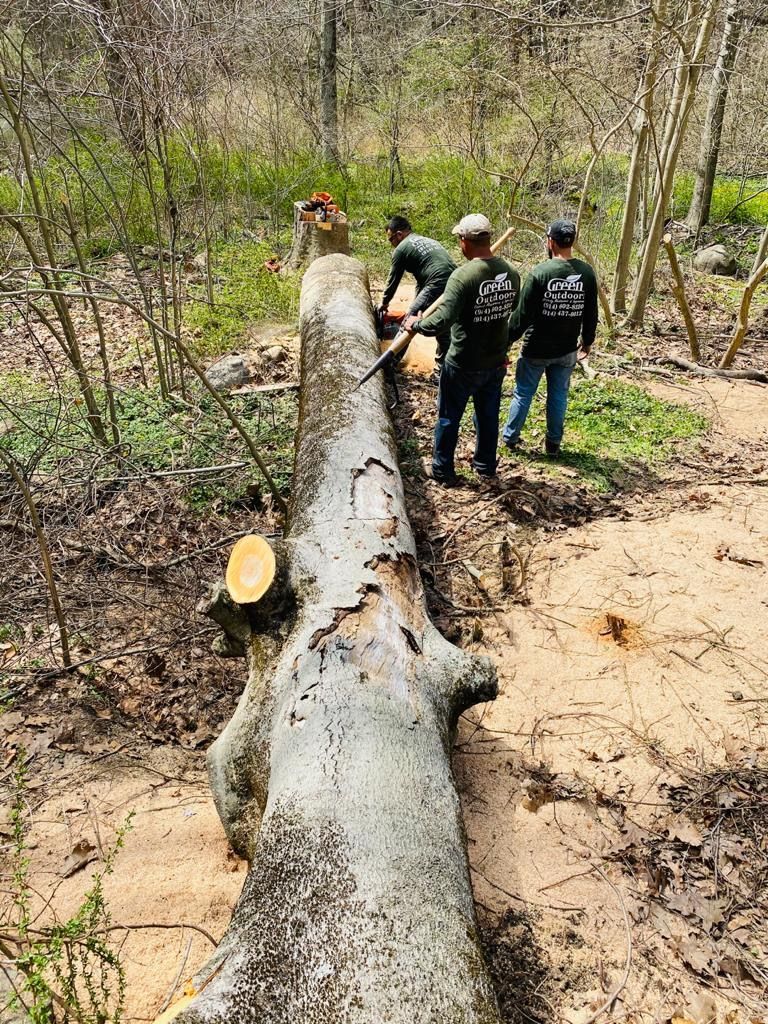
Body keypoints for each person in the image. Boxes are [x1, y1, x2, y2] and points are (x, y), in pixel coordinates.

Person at [410, 214, 520, 486]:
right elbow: (513, 307)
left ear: (464, 241)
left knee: (448, 417)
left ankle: (442, 470)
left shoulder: (462, 277)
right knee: (488, 415)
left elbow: (442, 320)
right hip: (495, 360)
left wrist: (418, 323)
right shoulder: (512, 274)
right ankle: (485, 465)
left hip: (463, 361)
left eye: (459, 239)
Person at [502, 219, 598, 457]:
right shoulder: (586, 273)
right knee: (558, 395)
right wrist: (587, 341)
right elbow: (591, 312)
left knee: (523, 393)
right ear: (571, 241)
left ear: (550, 241)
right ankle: (553, 445)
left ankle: (510, 438)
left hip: (536, 349)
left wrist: (504, 342)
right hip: (566, 349)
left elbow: (521, 316)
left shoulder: (540, 273)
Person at [380, 216, 456, 365]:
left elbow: (393, 281)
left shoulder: (401, 249)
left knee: (409, 321)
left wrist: (384, 303)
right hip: (455, 279)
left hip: (437, 282)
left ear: (399, 234)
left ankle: (390, 363)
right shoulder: (427, 240)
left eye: (391, 240)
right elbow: (422, 281)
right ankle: (441, 369)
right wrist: (417, 303)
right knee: (443, 324)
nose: (391, 244)